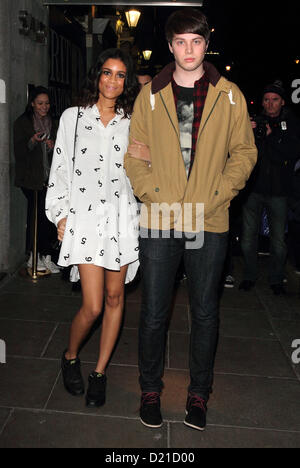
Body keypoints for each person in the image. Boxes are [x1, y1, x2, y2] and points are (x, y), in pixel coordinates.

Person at [125, 8, 257, 431]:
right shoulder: (149, 96)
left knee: (204, 313)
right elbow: (135, 156)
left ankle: (198, 395)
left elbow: (245, 154)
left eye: (195, 42)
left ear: (206, 43)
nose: (188, 50)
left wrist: (217, 195)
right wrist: (153, 193)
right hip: (160, 218)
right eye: (180, 42)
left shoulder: (230, 94)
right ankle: (150, 389)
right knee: (153, 313)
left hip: (209, 218)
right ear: (170, 45)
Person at [46, 48, 140, 407]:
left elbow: (142, 172)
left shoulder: (133, 121)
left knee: (116, 298)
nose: (112, 80)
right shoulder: (73, 117)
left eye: (120, 75)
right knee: (93, 305)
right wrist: (59, 214)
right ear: (96, 76)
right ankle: (70, 355)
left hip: (121, 218)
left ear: (126, 82)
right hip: (84, 218)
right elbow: (61, 168)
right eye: (107, 72)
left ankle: (99, 372)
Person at [239, 81, 300, 295]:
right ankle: (249, 275)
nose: (270, 104)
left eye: (275, 100)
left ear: (282, 102)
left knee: (278, 242)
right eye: (266, 100)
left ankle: (276, 279)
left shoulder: (291, 123)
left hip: (279, 192)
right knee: (247, 240)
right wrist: (247, 130)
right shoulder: (256, 120)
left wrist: (271, 136)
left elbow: (290, 153)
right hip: (254, 189)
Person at [14, 86, 59, 274]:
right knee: (37, 215)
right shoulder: (23, 122)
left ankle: (46, 256)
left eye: (47, 103)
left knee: (48, 217)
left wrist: (51, 145)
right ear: (32, 103)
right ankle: (34, 255)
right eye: (40, 103)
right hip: (30, 178)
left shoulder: (53, 122)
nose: (44, 107)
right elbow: (19, 151)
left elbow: (60, 150)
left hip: (49, 177)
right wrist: (33, 141)